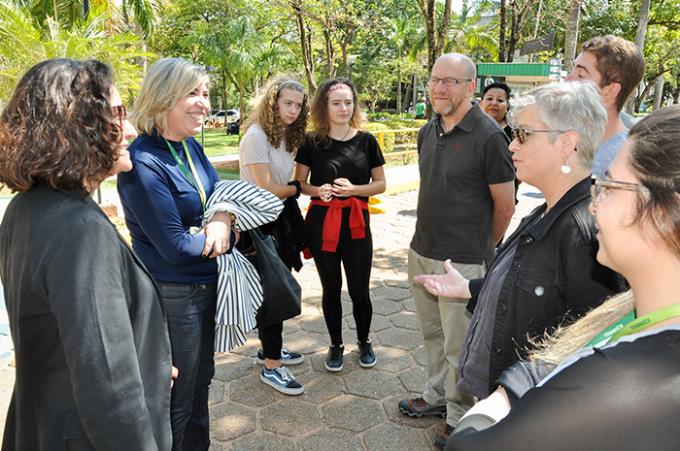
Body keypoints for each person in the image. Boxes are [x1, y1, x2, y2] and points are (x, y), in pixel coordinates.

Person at [447, 105, 680, 451]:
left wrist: (513, 386)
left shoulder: (632, 377)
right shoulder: (640, 317)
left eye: (609, 186)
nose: (594, 204)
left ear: (663, 210)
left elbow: (467, 446)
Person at [415, 81, 624, 408]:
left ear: (567, 143)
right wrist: (470, 287)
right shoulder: (551, 210)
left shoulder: (585, 234)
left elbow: (590, 352)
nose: (512, 145)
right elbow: (533, 285)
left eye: (523, 134)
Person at [0, 59, 172, 450]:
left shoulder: (25, 208)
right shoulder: (81, 232)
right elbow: (110, 390)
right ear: (75, 125)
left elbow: (61, 337)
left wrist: (151, 365)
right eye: (116, 114)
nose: (129, 129)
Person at [399, 53, 516, 448]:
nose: (438, 88)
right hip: (421, 249)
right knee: (432, 336)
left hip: (462, 261)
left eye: (449, 81)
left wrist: (487, 249)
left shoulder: (489, 136)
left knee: (459, 346)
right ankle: (435, 398)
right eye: (434, 80)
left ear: (471, 87)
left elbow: (506, 204)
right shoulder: (427, 130)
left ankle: (459, 414)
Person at [118, 58, 231, 451]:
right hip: (173, 294)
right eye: (193, 94)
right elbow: (176, 247)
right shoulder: (142, 161)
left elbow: (223, 196)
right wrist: (220, 231)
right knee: (177, 396)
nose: (204, 104)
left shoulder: (189, 147)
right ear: (164, 97)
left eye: (206, 94)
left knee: (202, 382)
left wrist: (218, 222)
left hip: (204, 287)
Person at [295, 77, 386, 372]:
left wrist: (354, 191)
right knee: (330, 288)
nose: (343, 108)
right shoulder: (311, 142)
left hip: (357, 224)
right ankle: (335, 344)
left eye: (348, 102)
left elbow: (380, 184)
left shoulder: (367, 140)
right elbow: (300, 183)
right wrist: (316, 190)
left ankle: (364, 340)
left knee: (360, 290)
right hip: (323, 224)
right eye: (336, 103)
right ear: (324, 106)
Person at [239, 77, 308, 395]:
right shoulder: (256, 137)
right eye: (287, 103)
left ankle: (270, 350)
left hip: (281, 219)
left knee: (277, 287)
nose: (293, 110)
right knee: (273, 293)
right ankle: (271, 366)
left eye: (298, 104)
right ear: (273, 103)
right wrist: (297, 188)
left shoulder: (285, 136)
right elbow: (266, 188)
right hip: (259, 225)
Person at [565, 35, 645, 178]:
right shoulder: (571, 145)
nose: (567, 80)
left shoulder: (621, 163)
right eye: (572, 71)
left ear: (609, 91)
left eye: (581, 75)